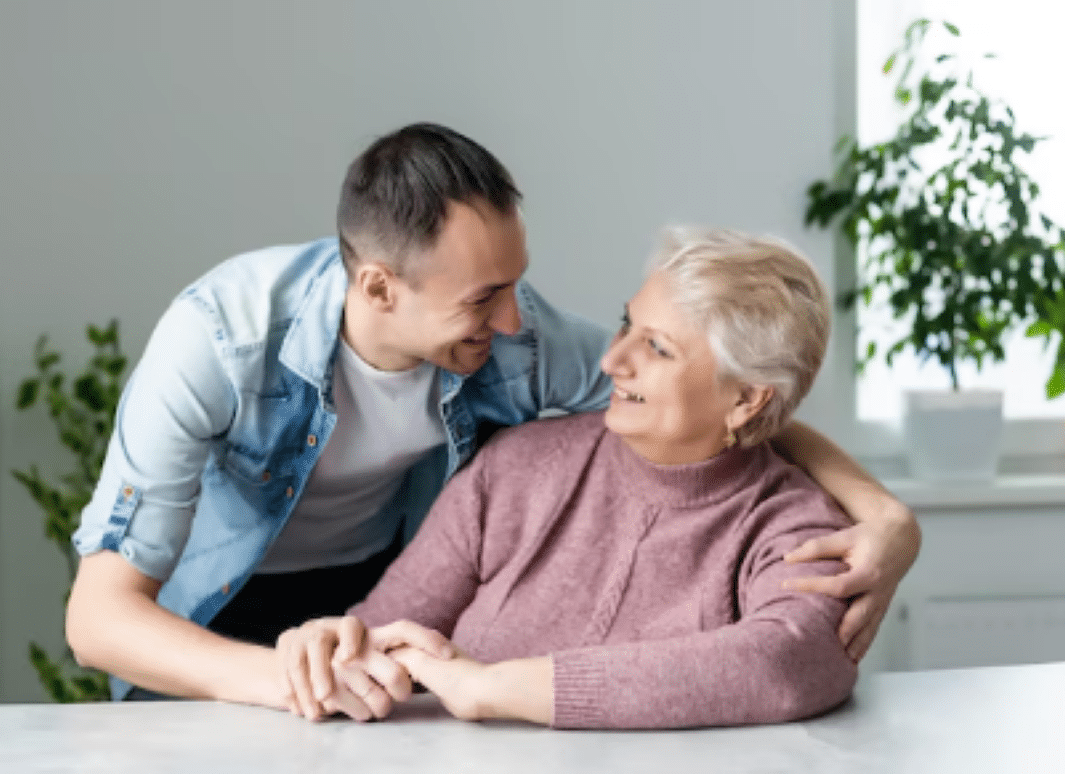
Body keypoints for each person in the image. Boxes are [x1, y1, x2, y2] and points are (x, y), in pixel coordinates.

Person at [66, 123, 919, 717]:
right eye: (484, 298)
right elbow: (99, 620)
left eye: (516, 284)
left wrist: (882, 516)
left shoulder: (518, 340)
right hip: (205, 617)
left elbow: (720, 409)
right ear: (377, 289)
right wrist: (295, 676)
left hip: (364, 595)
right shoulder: (219, 343)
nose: (516, 322)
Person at [281, 227, 861, 729]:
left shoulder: (797, 527)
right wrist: (332, 648)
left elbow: (789, 663)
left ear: (746, 400)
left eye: (656, 349)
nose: (612, 361)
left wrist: (492, 690)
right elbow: (381, 633)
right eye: (626, 325)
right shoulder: (517, 468)